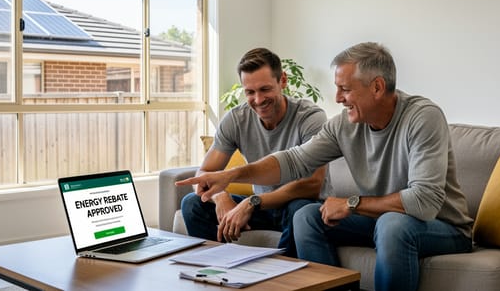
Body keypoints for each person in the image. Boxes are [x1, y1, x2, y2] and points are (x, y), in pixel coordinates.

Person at [178, 42, 474, 291]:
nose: (337, 98)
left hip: (441, 227)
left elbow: (424, 203)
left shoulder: (423, 117)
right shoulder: (344, 125)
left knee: (391, 223)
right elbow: (294, 160)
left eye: (344, 89)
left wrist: (352, 203)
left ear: (377, 87)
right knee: (307, 216)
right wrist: (232, 175)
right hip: (381, 218)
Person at [181, 47, 327, 257]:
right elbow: (204, 173)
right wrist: (221, 197)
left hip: (297, 205)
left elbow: (313, 183)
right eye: (250, 92)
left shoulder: (310, 118)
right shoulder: (236, 119)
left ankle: (280, 278)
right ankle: (219, 269)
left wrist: (252, 203)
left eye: (265, 89)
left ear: (283, 80)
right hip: (260, 208)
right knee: (193, 203)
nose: (258, 100)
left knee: (301, 210)